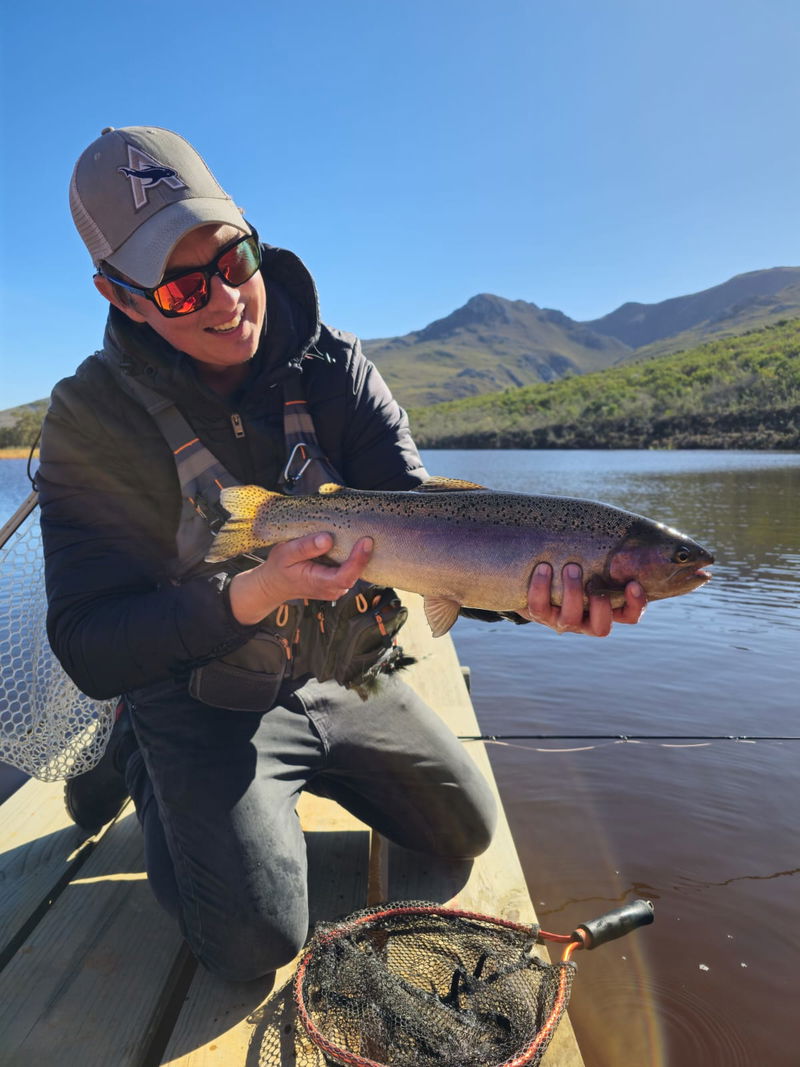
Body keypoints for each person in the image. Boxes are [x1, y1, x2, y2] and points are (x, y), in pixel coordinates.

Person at [38, 126, 646, 982]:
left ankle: (263, 788)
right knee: (253, 941)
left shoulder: (335, 367)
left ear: (252, 235)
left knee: (466, 829)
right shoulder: (90, 421)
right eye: (180, 288)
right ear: (122, 296)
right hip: (198, 697)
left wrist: (529, 593)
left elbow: (437, 533)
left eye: (233, 258)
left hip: (337, 672)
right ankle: (140, 754)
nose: (226, 299)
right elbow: (88, 643)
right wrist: (250, 595)